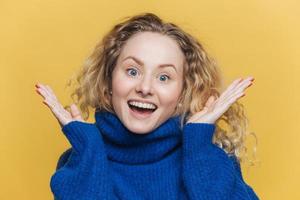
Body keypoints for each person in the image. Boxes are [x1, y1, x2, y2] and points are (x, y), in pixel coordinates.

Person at [35, 12, 259, 200]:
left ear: (182, 93)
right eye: (132, 71)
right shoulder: (82, 158)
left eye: (164, 77)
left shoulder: (214, 161)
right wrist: (89, 148)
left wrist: (199, 148)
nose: (145, 87)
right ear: (108, 82)